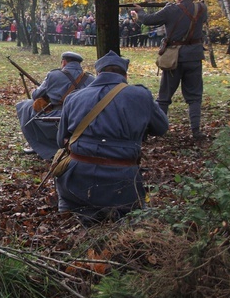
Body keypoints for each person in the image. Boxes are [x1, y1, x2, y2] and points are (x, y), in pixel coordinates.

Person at [55, 51, 169, 225]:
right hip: (122, 180)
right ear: (125, 75)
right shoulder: (141, 95)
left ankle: (78, 213)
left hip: (78, 181)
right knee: (129, 220)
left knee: (87, 217)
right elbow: (161, 128)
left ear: (98, 73)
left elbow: (60, 140)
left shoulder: (73, 98)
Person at [132, 0, 208, 139]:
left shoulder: (171, 10)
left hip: (174, 56)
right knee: (194, 96)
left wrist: (139, 11)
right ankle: (196, 131)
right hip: (194, 56)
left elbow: (148, 20)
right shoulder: (202, 9)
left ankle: (159, 131)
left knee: (164, 97)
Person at [15, 52, 94, 160]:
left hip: (55, 117)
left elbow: (35, 95)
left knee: (25, 106)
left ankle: (40, 146)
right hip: (80, 118)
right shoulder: (90, 79)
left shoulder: (53, 75)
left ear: (64, 62)